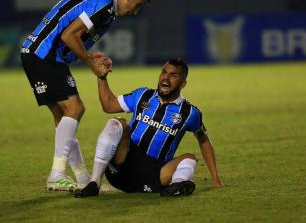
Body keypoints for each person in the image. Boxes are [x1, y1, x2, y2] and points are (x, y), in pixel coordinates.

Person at [20, 0, 150, 191]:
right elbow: (69, 36)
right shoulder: (105, 6)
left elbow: (71, 36)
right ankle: (57, 174)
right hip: (45, 56)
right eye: (137, 5)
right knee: (76, 108)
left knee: (63, 117)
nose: (135, 11)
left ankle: (82, 178)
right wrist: (91, 63)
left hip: (35, 53)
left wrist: (89, 55)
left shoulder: (100, 2)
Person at [75, 58, 223, 197]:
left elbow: (203, 141)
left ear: (183, 83)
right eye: (164, 72)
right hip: (123, 165)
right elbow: (109, 105)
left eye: (173, 75)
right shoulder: (143, 95)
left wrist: (216, 178)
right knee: (117, 123)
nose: (165, 77)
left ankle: (177, 186)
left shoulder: (190, 113)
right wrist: (101, 77)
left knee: (190, 158)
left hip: (154, 174)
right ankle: (95, 182)